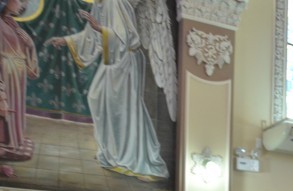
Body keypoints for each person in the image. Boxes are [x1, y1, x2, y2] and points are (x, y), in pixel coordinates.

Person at [46, 0, 168, 180]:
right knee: (97, 97)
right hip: (112, 63)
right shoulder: (99, 4)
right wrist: (66, 40)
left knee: (121, 110)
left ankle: (127, 156)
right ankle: (111, 151)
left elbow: (125, 36)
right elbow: (91, 36)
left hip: (124, 63)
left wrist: (99, 28)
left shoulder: (114, 3)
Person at [0, 0, 40, 165]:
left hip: (16, 78)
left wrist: (30, 46)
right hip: (5, 75)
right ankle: (5, 144)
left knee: (14, 111)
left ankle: (14, 141)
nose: (23, 5)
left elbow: (32, 70)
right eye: (20, 0)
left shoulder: (13, 24)